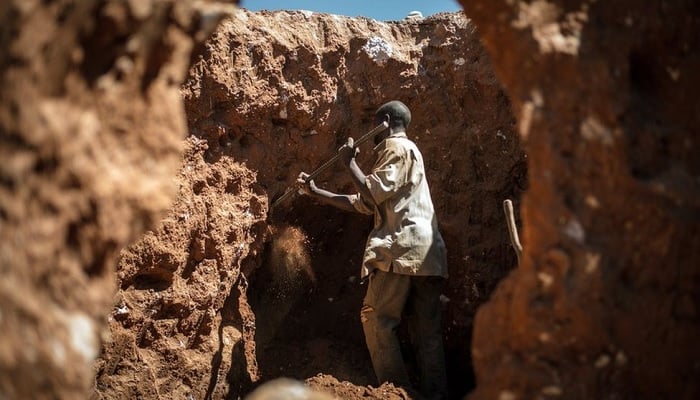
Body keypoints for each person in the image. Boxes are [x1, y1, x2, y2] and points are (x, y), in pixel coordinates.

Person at [296, 100, 448, 399]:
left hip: (401, 250)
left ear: (386, 122)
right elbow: (364, 202)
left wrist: (349, 161)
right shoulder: (410, 154)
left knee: (376, 319)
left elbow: (372, 191)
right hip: (428, 254)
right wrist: (316, 192)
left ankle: (396, 393)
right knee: (426, 332)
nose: (372, 134)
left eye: (375, 126)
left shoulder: (396, 147)